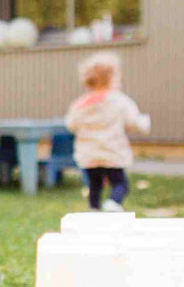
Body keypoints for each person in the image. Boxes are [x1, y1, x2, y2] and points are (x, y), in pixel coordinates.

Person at [64, 52, 151, 212]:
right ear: (112, 78)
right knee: (120, 184)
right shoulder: (119, 100)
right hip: (112, 152)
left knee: (94, 185)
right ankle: (113, 202)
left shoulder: (80, 104)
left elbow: (70, 124)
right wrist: (144, 123)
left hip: (89, 155)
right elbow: (133, 121)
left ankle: (94, 209)